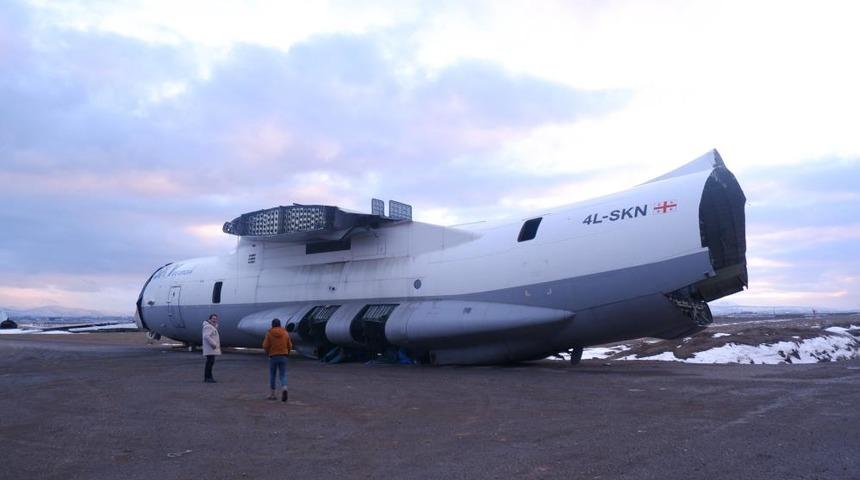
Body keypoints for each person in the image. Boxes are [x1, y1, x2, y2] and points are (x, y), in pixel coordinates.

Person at [262, 318, 292, 402]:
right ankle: (284, 388)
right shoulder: (285, 333)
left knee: (272, 375)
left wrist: (268, 353)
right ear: (280, 324)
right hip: (284, 356)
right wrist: (287, 353)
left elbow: (265, 345)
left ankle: (272, 394)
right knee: (283, 374)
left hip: (273, 356)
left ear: (272, 325)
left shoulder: (269, 333)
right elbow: (290, 345)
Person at [202, 314, 221, 383]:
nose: (214, 320)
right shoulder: (208, 327)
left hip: (211, 348)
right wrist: (214, 344)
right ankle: (208, 378)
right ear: (209, 319)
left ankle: (209, 377)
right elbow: (206, 336)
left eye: (215, 319)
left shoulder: (212, 327)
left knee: (210, 363)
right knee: (209, 363)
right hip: (210, 348)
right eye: (213, 318)